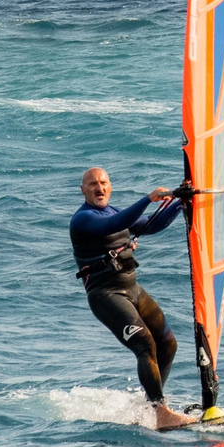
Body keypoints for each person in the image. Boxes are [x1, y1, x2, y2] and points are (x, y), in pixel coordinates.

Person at [70, 166, 195, 429]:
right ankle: (160, 412)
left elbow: (152, 224)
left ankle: (152, 404)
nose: (99, 188)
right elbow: (113, 225)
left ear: (110, 186)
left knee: (168, 344)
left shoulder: (114, 211)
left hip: (132, 288)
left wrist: (181, 203)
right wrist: (148, 199)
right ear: (83, 190)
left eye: (103, 183)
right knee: (145, 344)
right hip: (106, 295)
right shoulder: (82, 219)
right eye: (92, 184)